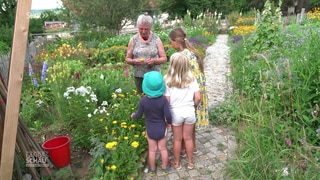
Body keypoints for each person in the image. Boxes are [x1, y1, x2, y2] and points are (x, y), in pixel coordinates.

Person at [168, 27, 210, 156]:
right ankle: (193, 147)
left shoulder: (182, 56)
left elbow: (182, 76)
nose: (170, 44)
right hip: (198, 89)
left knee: (184, 123)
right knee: (191, 120)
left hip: (191, 92)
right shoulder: (192, 52)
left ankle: (182, 149)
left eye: (170, 42)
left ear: (176, 41)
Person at [163, 52, 201, 170]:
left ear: (172, 65)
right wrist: (193, 107)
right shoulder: (192, 78)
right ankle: (190, 162)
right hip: (189, 111)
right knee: (188, 138)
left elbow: (167, 101)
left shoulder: (167, 79)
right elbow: (198, 97)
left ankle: (177, 162)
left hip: (175, 114)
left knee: (177, 139)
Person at [131, 71, 172, 176]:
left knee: (152, 150)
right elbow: (168, 115)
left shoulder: (143, 101)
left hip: (150, 129)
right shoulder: (163, 100)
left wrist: (133, 116)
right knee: (163, 149)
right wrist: (169, 123)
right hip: (162, 128)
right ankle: (165, 167)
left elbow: (138, 115)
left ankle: (153, 169)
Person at [125, 13, 167, 94]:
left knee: (155, 98)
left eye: (146, 29)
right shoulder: (134, 39)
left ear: (150, 28)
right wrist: (134, 61)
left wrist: (154, 61)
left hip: (154, 76)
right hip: (139, 76)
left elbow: (164, 58)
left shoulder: (156, 39)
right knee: (142, 98)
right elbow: (127, 59)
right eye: (141, 28)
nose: (143, 32)